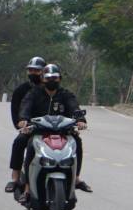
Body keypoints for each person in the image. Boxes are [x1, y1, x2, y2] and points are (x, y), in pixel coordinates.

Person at [16, 63, 91, 198]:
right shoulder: (34, 93)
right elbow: (25, 107)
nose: (51, 80)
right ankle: (25, 186)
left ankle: (76, 178)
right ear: (43, 79)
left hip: (63, 132)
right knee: (24, 142)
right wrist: (23, 119)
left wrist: (80, 120)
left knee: (77, 142)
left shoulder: (66, 94)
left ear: (60, 79)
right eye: (48, 78)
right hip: (38, 132)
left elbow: (75, 108)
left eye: (55, 78)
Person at [6, 57, 46, 194]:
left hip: (52, 130)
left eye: (37, 70)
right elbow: (16, 113)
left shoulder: (52, 90)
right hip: (30, 129)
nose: (33, 73)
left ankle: (73, 179)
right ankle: (15, 177)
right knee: (19, 141)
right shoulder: (21, 91)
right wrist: (21, 123)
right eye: (31, 70)